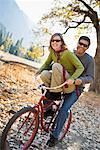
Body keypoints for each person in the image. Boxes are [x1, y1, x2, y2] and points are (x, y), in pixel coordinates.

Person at [35, 33, 85, 146]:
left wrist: (72, 78)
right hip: (59, 80)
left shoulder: (68, 54)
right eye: (53, 40)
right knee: (44, 74)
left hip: (69, 84)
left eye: (57, 40)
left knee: (56, 66)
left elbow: (80, 67)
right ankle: (51, 102)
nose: (55, 42)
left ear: (62, 42)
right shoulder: (52, 52)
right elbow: (47, 63)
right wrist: (38, 71)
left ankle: (55, 96)